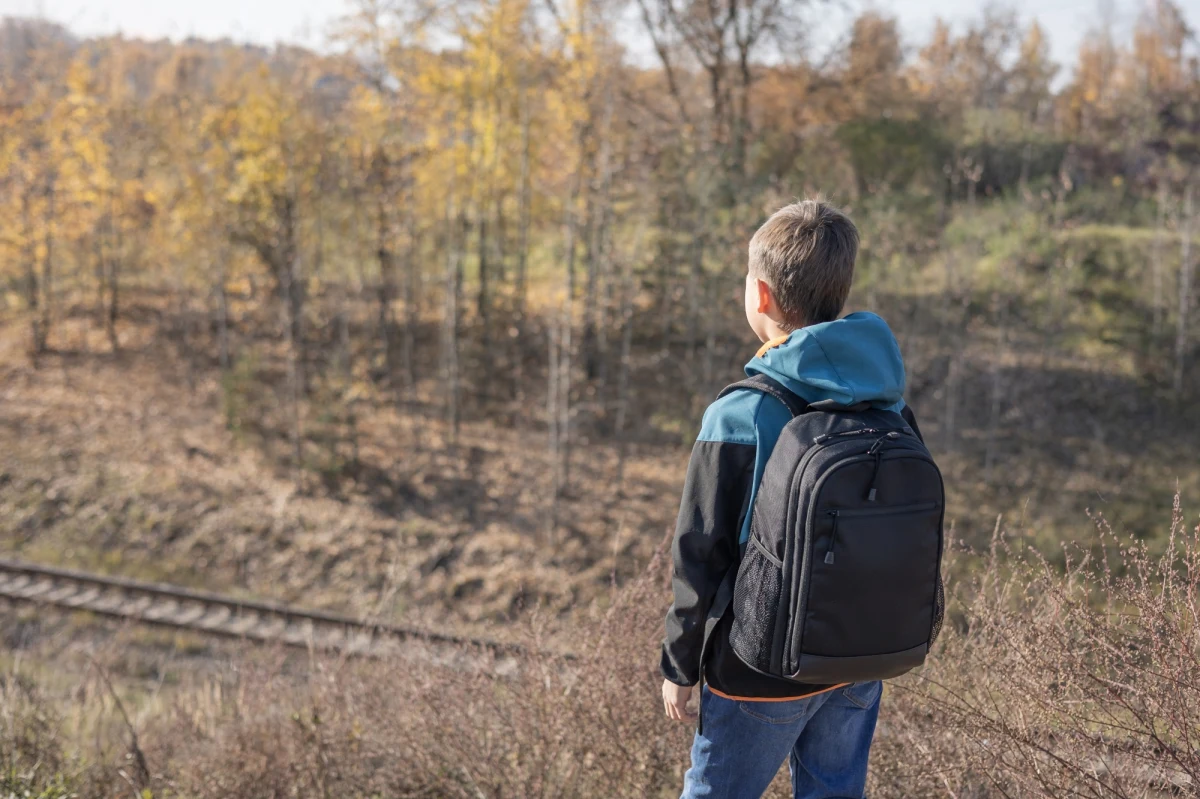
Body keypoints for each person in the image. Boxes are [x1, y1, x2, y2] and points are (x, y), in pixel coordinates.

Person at [661, 198, 918, 798]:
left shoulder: (741, 412)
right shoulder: (888, 402)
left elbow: (700, 549)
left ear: (762, 296)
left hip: (760, 667)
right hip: (860, 657)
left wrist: (679, 664)